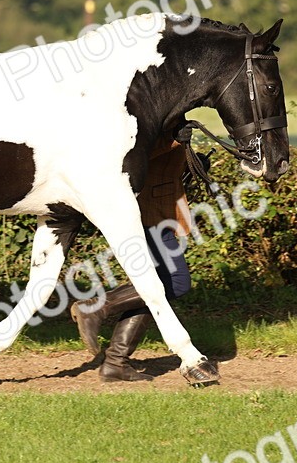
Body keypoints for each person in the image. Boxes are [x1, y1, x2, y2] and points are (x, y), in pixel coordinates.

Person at [70, 138, 201, 382]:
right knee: (176, 282)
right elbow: (134, 152)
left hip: (161, 208)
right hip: (149, 210)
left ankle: (116, 363)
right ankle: (97, 309)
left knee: (156, 286)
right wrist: (174, 143)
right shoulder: (153, 113)